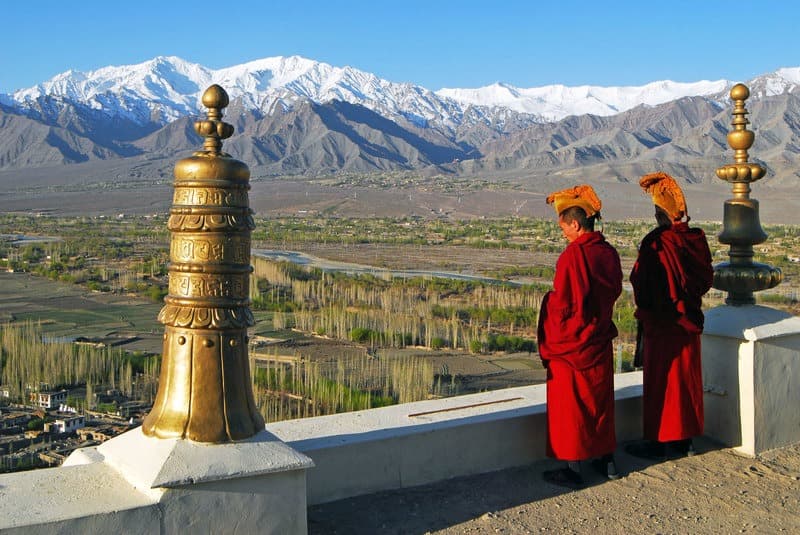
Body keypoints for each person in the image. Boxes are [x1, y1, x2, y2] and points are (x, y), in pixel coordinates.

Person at [537, 184, 623, 488]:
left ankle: (573, 468)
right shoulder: (608, 253)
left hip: (572, 344)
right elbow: (613, 291)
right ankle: (607, 462)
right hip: (599, 338)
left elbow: (565, 305)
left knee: (571, 406)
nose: (561, 231)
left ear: (575, 224)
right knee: (599, 404)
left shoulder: (573, 256)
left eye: (562, 225)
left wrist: (548, 305)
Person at [627, 172, 713, 459]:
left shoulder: (659, 242)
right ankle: (685, 441)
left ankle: (659, 441)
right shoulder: (696, 239)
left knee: (662, 383)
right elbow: (705, 279)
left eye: (656, 211)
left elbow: (641, 281)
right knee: (686, 382)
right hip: (689, 320)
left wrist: (649, 308)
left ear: (662, 213)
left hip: (663, 323)